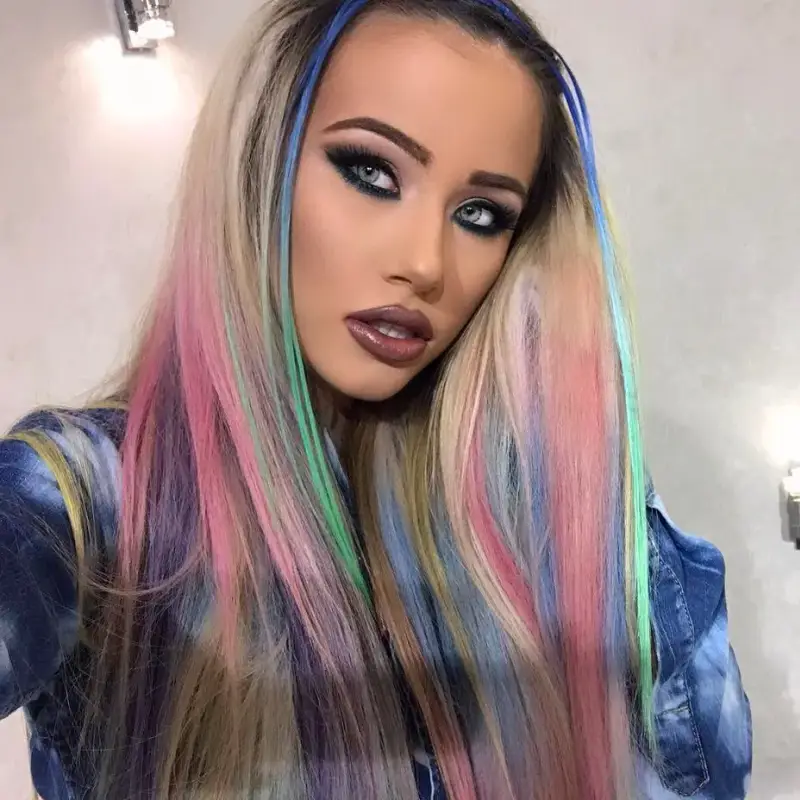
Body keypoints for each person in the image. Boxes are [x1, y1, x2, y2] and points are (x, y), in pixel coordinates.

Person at [0, 0, 752, 798]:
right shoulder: (90, 506)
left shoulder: (559, 522)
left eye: (480, 215)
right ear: (261, 162)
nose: (426, 264)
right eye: (371, 171)